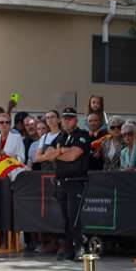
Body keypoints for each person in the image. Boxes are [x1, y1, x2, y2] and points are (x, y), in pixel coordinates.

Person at [45, 107, 92, 261]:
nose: (67, 121)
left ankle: (80, 247)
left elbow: (73, 156)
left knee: (74, 217)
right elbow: (48, 156)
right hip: (62, 182)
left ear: (76, 120)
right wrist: (60, 152)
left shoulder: (82, 135)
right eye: (65, 118)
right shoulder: (61, 136)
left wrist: (59, 153)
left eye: (70, 118)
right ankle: (69, 250)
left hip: (76, 181)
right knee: (65, 219)